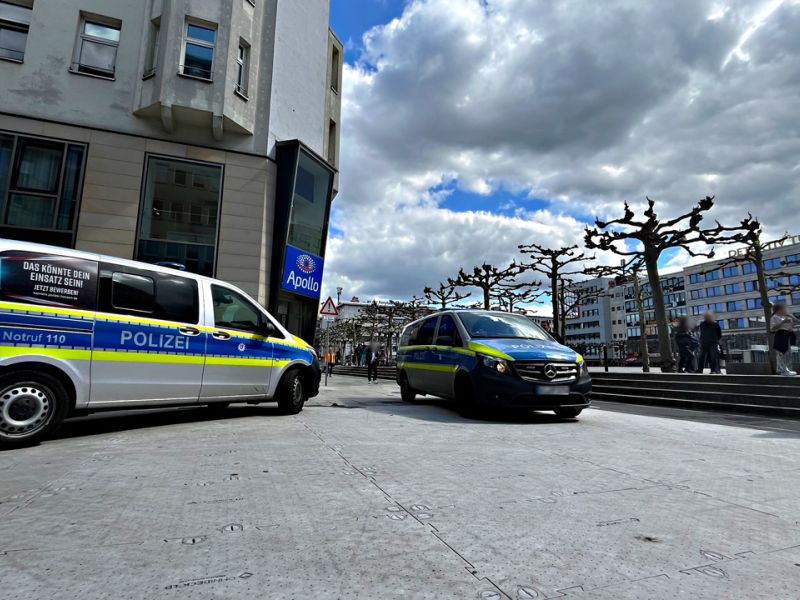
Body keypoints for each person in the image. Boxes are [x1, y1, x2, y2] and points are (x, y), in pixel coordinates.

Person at [770, 303, 798, 376]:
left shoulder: (785, 317)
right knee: (781, 353)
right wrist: (783, 322)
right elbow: (772, 328)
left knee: (787, 353)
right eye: (783, 309)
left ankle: (785, 370)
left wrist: (789, 315)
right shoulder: (774, 317)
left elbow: (796, 321)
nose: (784, 310)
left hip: (787, 335)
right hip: (780, 335)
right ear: (778, 310)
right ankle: (783, 370)